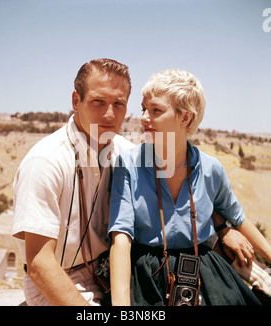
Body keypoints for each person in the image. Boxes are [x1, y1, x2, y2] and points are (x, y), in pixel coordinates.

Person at [108, 68, 271, 306]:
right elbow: (121, 238)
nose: (143, 117)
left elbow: (238, 218)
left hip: (204, 270)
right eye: (144, 108)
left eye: (155, 110)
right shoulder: (129, 164)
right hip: (147, 277)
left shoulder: (211, 168)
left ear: (185, 118)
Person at [12, 58, 135, 306]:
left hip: (110, 273)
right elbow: (39, 263)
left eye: (118, 104)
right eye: (98, 102)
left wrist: (224, 227)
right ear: (75, 101)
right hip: (60, 280)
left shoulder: (127, 153)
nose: (109, 114)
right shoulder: (45, 161)